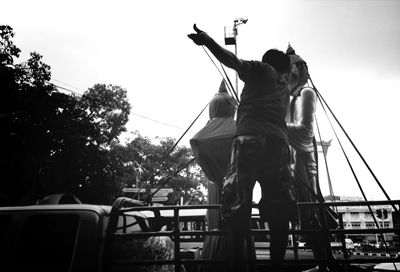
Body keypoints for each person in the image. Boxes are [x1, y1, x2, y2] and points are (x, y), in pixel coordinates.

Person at [188, 24, 297, 272]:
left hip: (249, 142)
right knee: (280, 210)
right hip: (279, 147)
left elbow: (233, 61)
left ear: (267, 62)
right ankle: (276, 266)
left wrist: (208, 41)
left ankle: (238, 265)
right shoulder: (284, 87)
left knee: (237, 207)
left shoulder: (263, 70)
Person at [285, 44, 337, 272]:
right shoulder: (289, 100)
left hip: (303, 159)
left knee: (309, 213)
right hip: (291, 159)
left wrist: (272, 124)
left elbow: (304, 130)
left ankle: (325, 262)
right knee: (300, 213)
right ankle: (324, 262)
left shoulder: (305, 95)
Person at [190, 80, 237, 230]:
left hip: (216, 183)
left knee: (217, 217)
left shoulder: (209, 132)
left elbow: (196, 140)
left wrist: (214, 173)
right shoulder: (238, 129)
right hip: (235, 182)